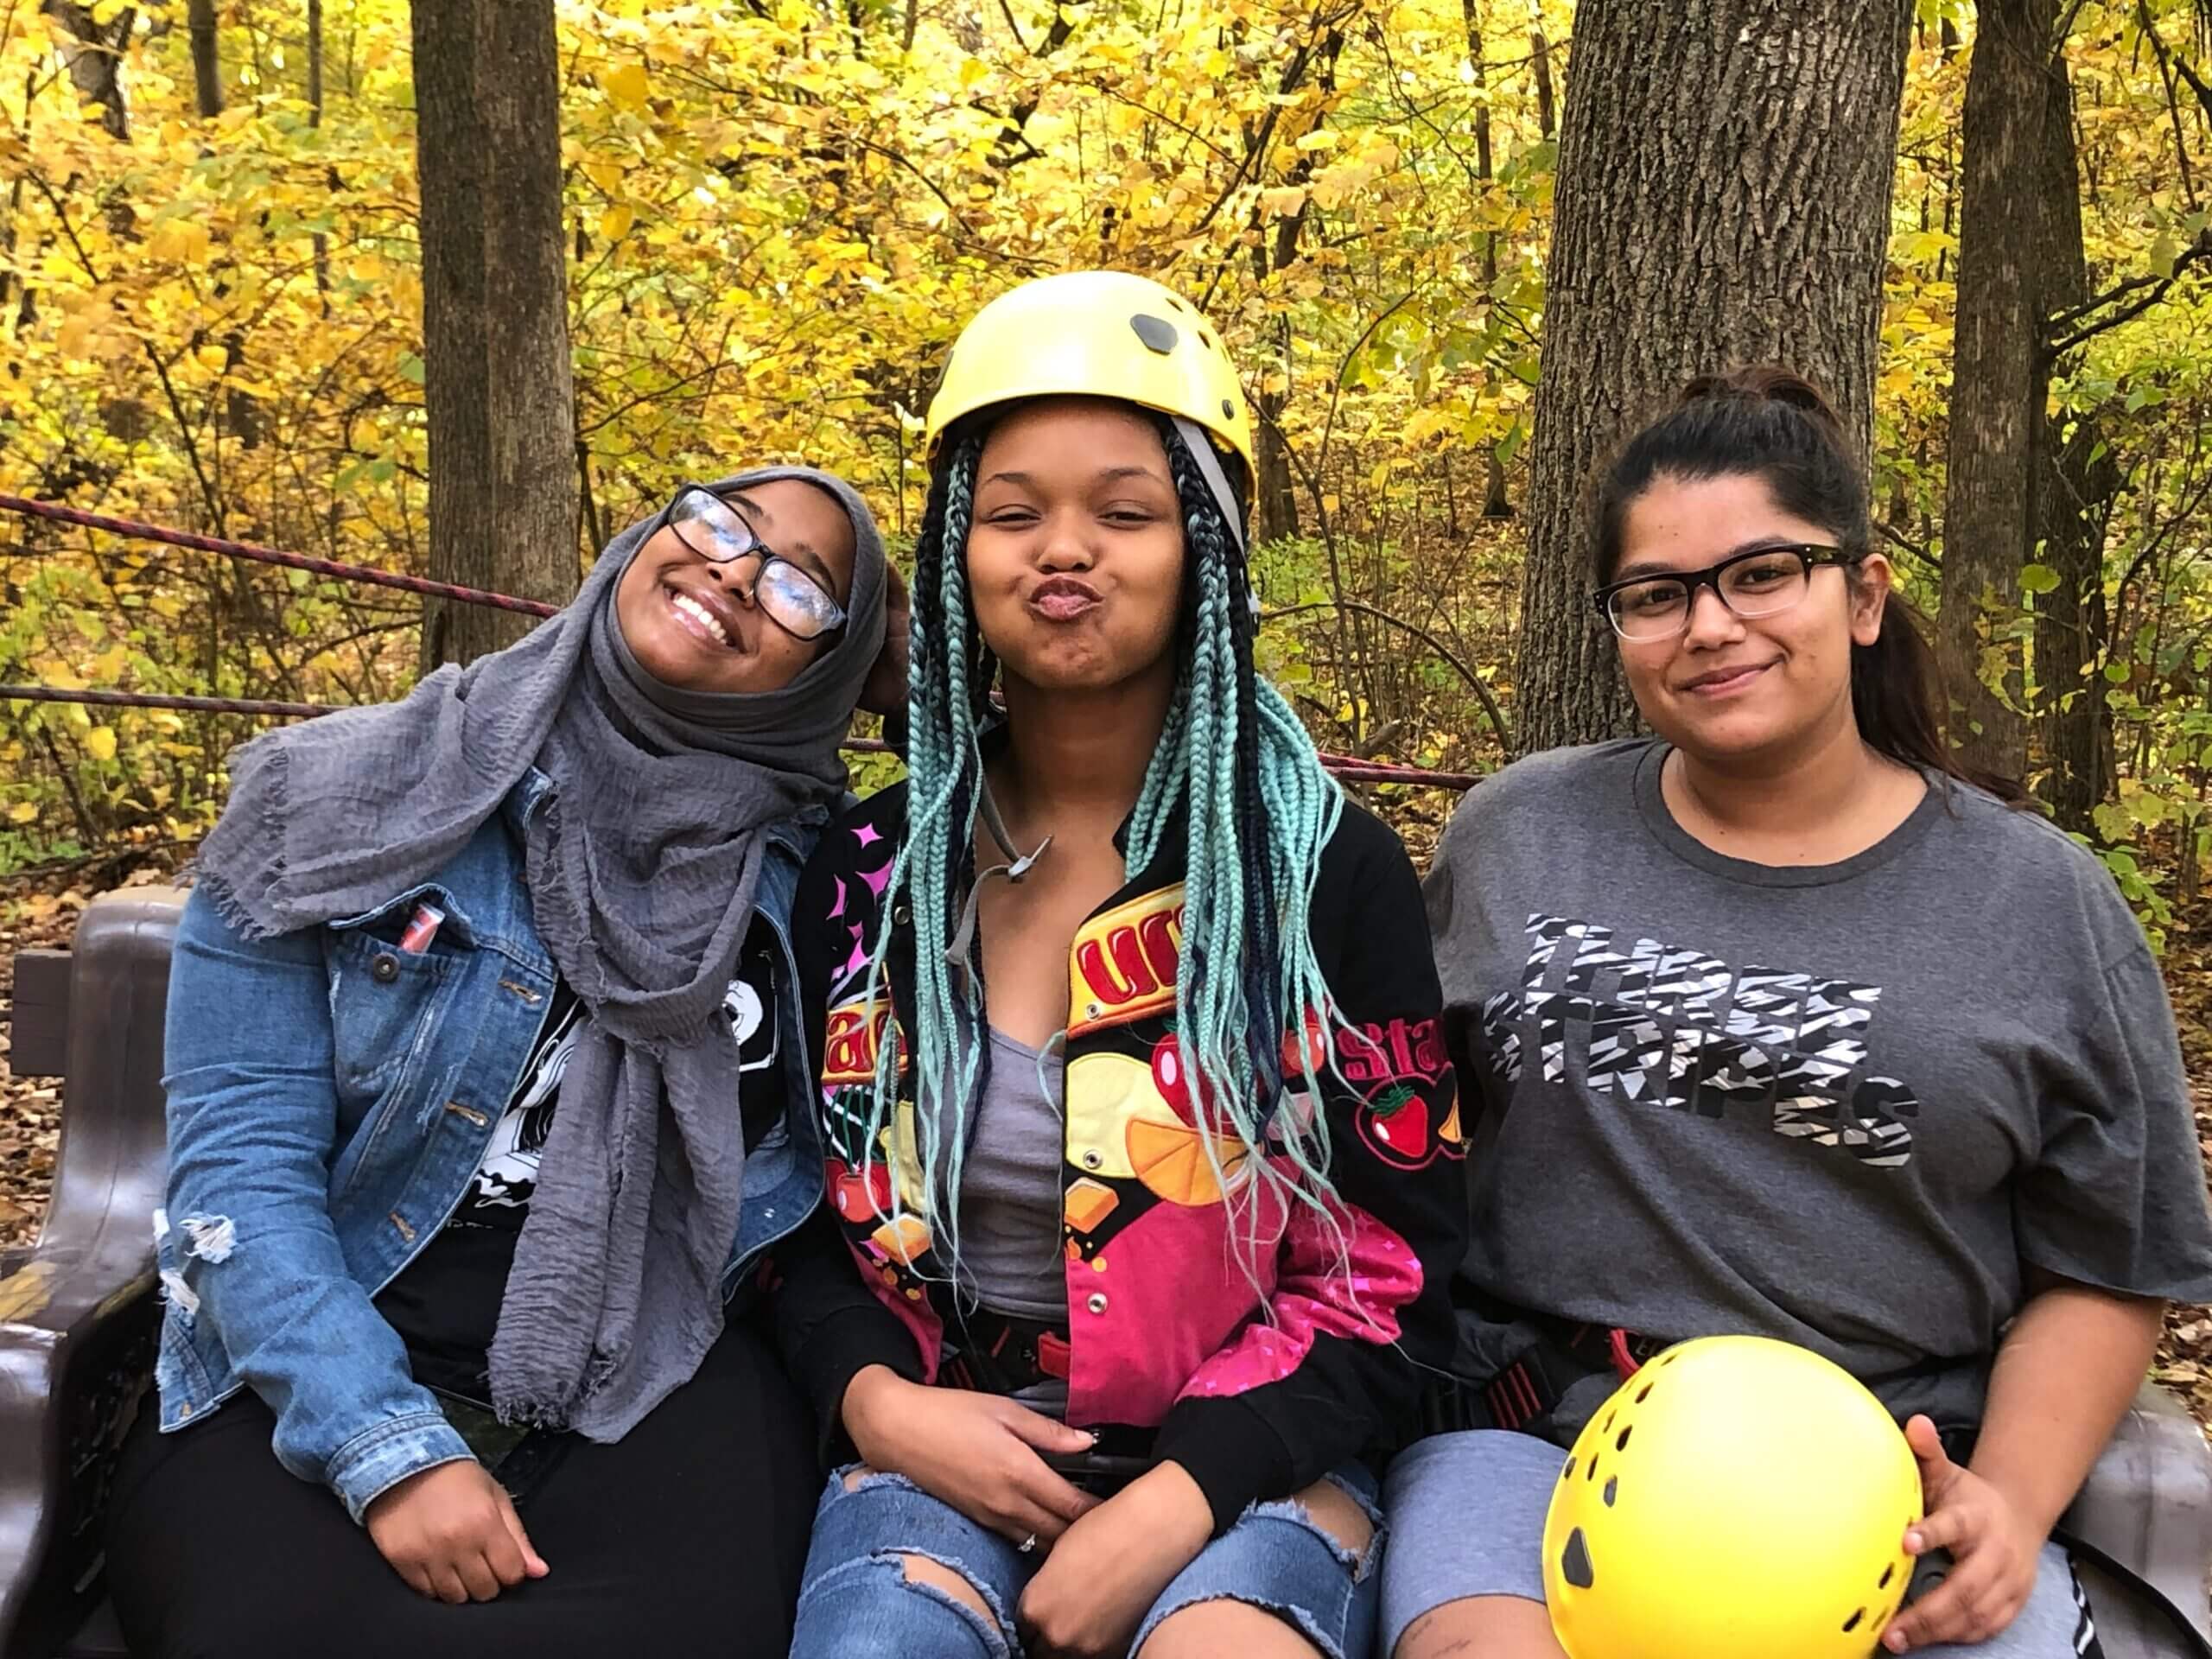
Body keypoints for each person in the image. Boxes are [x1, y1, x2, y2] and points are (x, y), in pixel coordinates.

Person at [1379, 367, 2212, 1659]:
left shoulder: (2042, 902)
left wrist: (2011, 1504)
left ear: (1863, 596)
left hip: (1897, 1474)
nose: (1711, 625)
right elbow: (1389, 1134)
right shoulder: (1518, 837)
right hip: (1538, 1442)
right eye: (1657, 595)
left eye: (1764, 573)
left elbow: (2110, 1264)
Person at [773, 270, 1468, 1659]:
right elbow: (778, 1213)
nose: (1063, 551)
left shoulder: (1321, 877)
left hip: (1249, 1456)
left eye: (1125, 512)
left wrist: (1173, 1502)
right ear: (958, 551)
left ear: (1202, 548)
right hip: (943, 1436)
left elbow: (1399, 1275)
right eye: (1014, 512)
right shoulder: (864, 879)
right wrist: (878, 1406)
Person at [105, 467, 900, 1658]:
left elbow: (1057, 765)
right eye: (718, 523)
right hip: (322, 1330)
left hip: (660, 1356)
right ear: (647, 534)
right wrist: (387, 1451)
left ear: (830, 668)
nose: (733, 571)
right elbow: (238, 1172)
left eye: (799, 588)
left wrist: (911, 674)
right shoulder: (333, 799)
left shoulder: (829, 882)